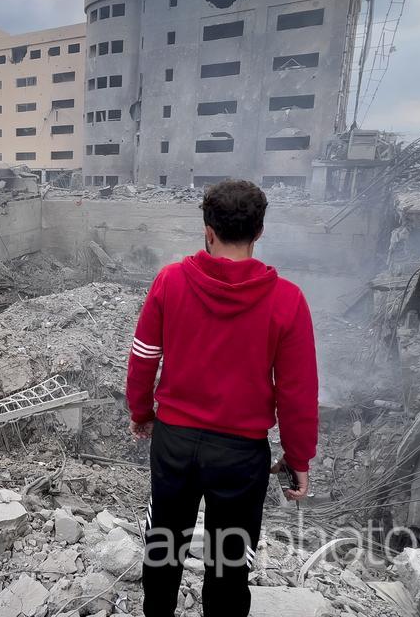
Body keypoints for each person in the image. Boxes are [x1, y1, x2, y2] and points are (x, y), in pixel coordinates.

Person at [126, 179, 318, 617]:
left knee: (164, 543)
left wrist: (141, 412)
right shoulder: (287, 300)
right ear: (260, 231)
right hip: (240, 455)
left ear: (207, 228)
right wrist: (298, 458)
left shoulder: (170, 281)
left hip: (174, 442)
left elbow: (143, 357)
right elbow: (298, 391)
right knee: (230, 559)